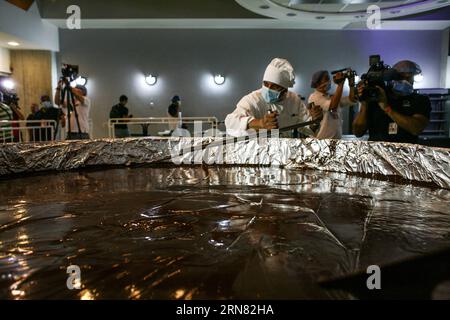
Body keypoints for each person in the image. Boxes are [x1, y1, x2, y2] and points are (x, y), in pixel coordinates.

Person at [225, 58, 322, 137]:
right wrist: (260, 123)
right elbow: (230, 121)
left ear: (284, 89)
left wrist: (314, 121)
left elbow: (307, 130)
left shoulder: (294, 100)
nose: (268, 89)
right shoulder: (253, 100)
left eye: (274, 86)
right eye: (266, 84)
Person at [353, 60, 431, 144]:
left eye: (408, 77)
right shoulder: (377, 96)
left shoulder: (419, 100)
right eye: (400, 77)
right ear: (391, 77)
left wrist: (387, 108)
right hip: (377, 154)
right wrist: (364, 104)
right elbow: (357, 132)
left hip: (405, 154)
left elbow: (416, 128)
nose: (405, 81)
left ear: (413, 78)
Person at [308, 70, 357, 140]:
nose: (329, 81)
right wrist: (340, 84)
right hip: (322, 140)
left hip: (336, 140)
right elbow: (333, 106)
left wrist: (351, 85)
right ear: (318, 83)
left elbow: (352, 99)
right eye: (326, 79)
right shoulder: (314, 97)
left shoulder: (330, 97)